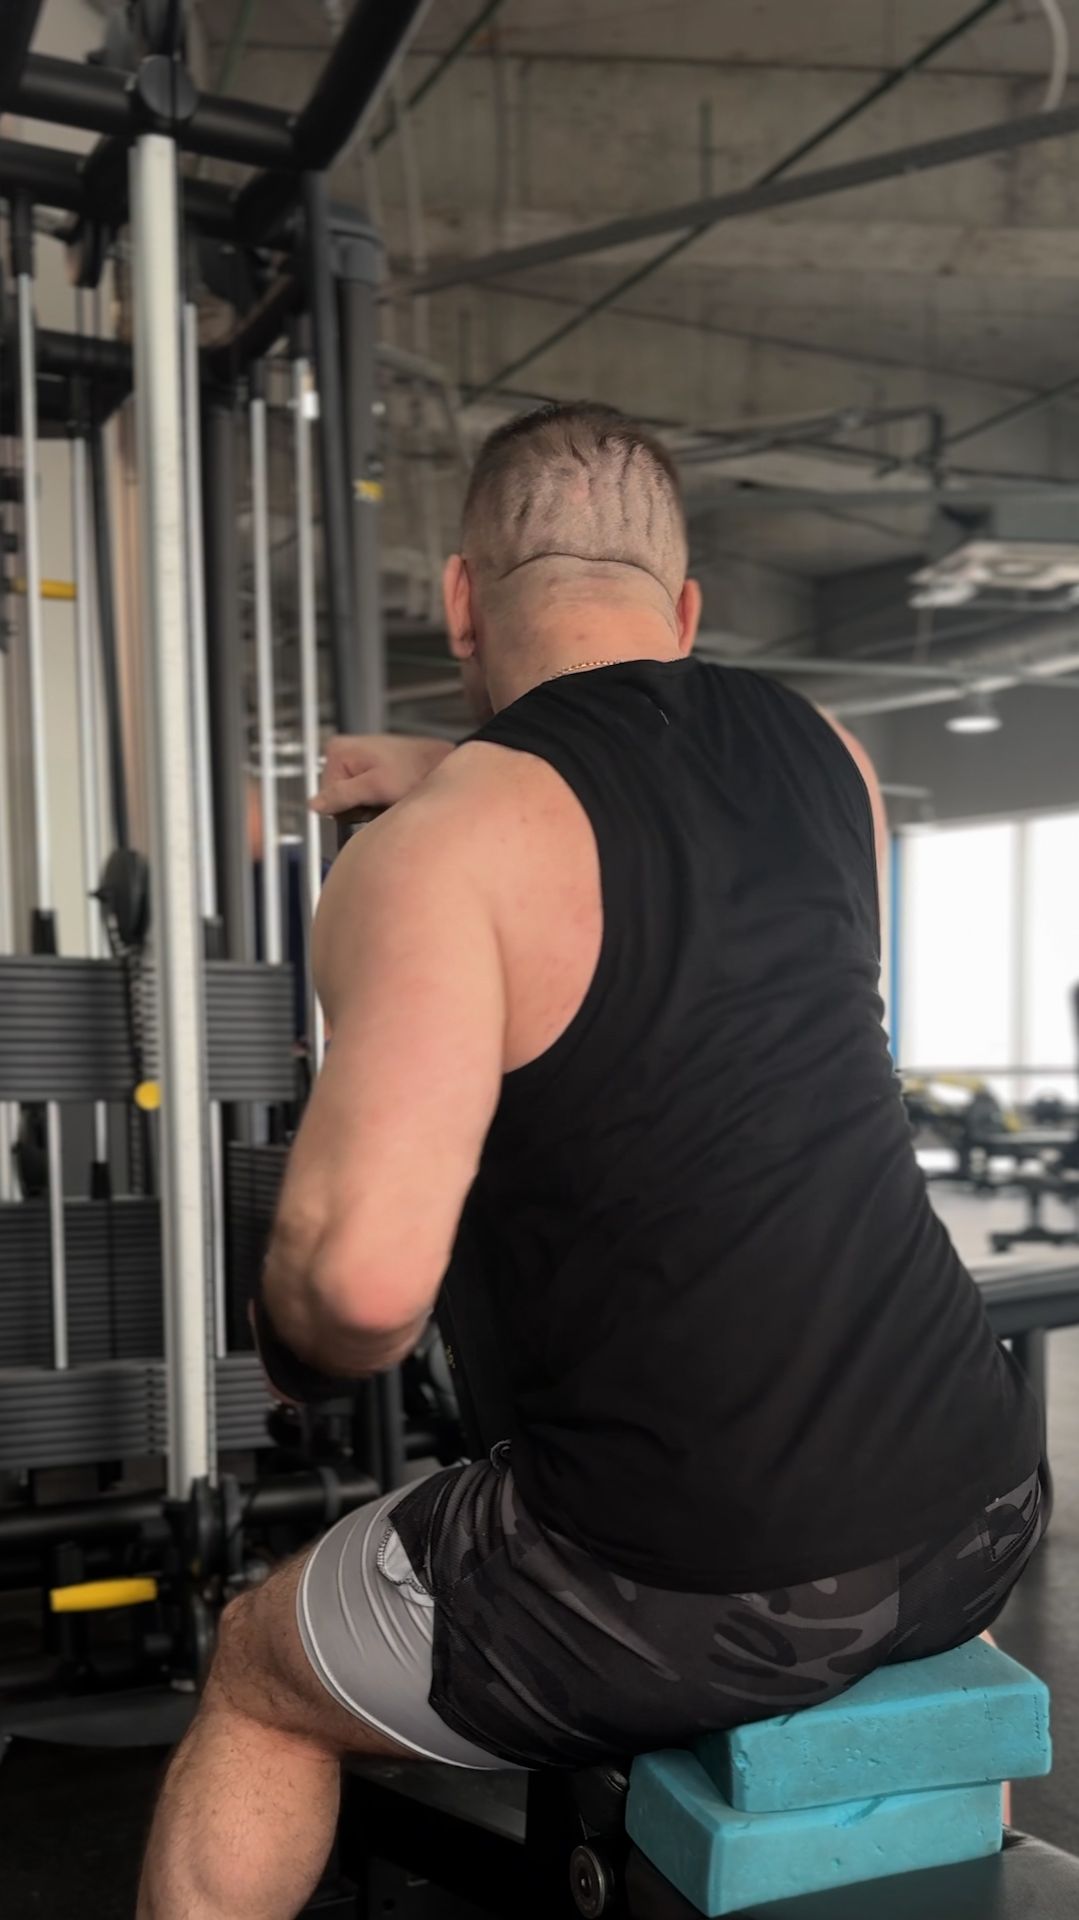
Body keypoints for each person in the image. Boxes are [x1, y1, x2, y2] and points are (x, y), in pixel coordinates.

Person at [138, 403, 1045, 1919]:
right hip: (980, 1503)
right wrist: (453, 774)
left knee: (256, 1672)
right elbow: (661, 813)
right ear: (684, 611)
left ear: (460, 600)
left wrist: (289, 1350)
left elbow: (363, 1288)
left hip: (686, 1577)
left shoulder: (431, 854)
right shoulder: (832, 761)